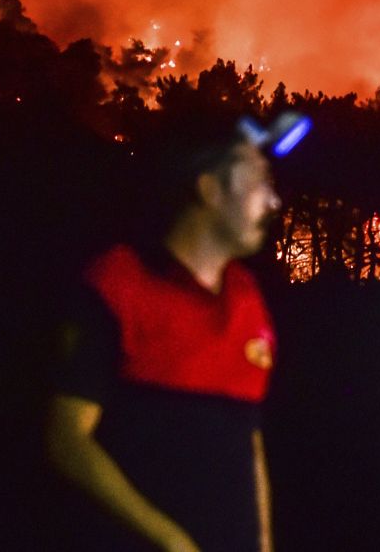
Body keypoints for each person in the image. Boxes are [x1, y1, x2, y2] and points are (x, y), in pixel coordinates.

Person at [47, 110, 298, 552]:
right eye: (259, 181)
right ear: (209, 189)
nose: (273, 202)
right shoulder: (120, 284)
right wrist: (169, 539)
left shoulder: (248, 299)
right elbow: (66, 438)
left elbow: (248, 439)